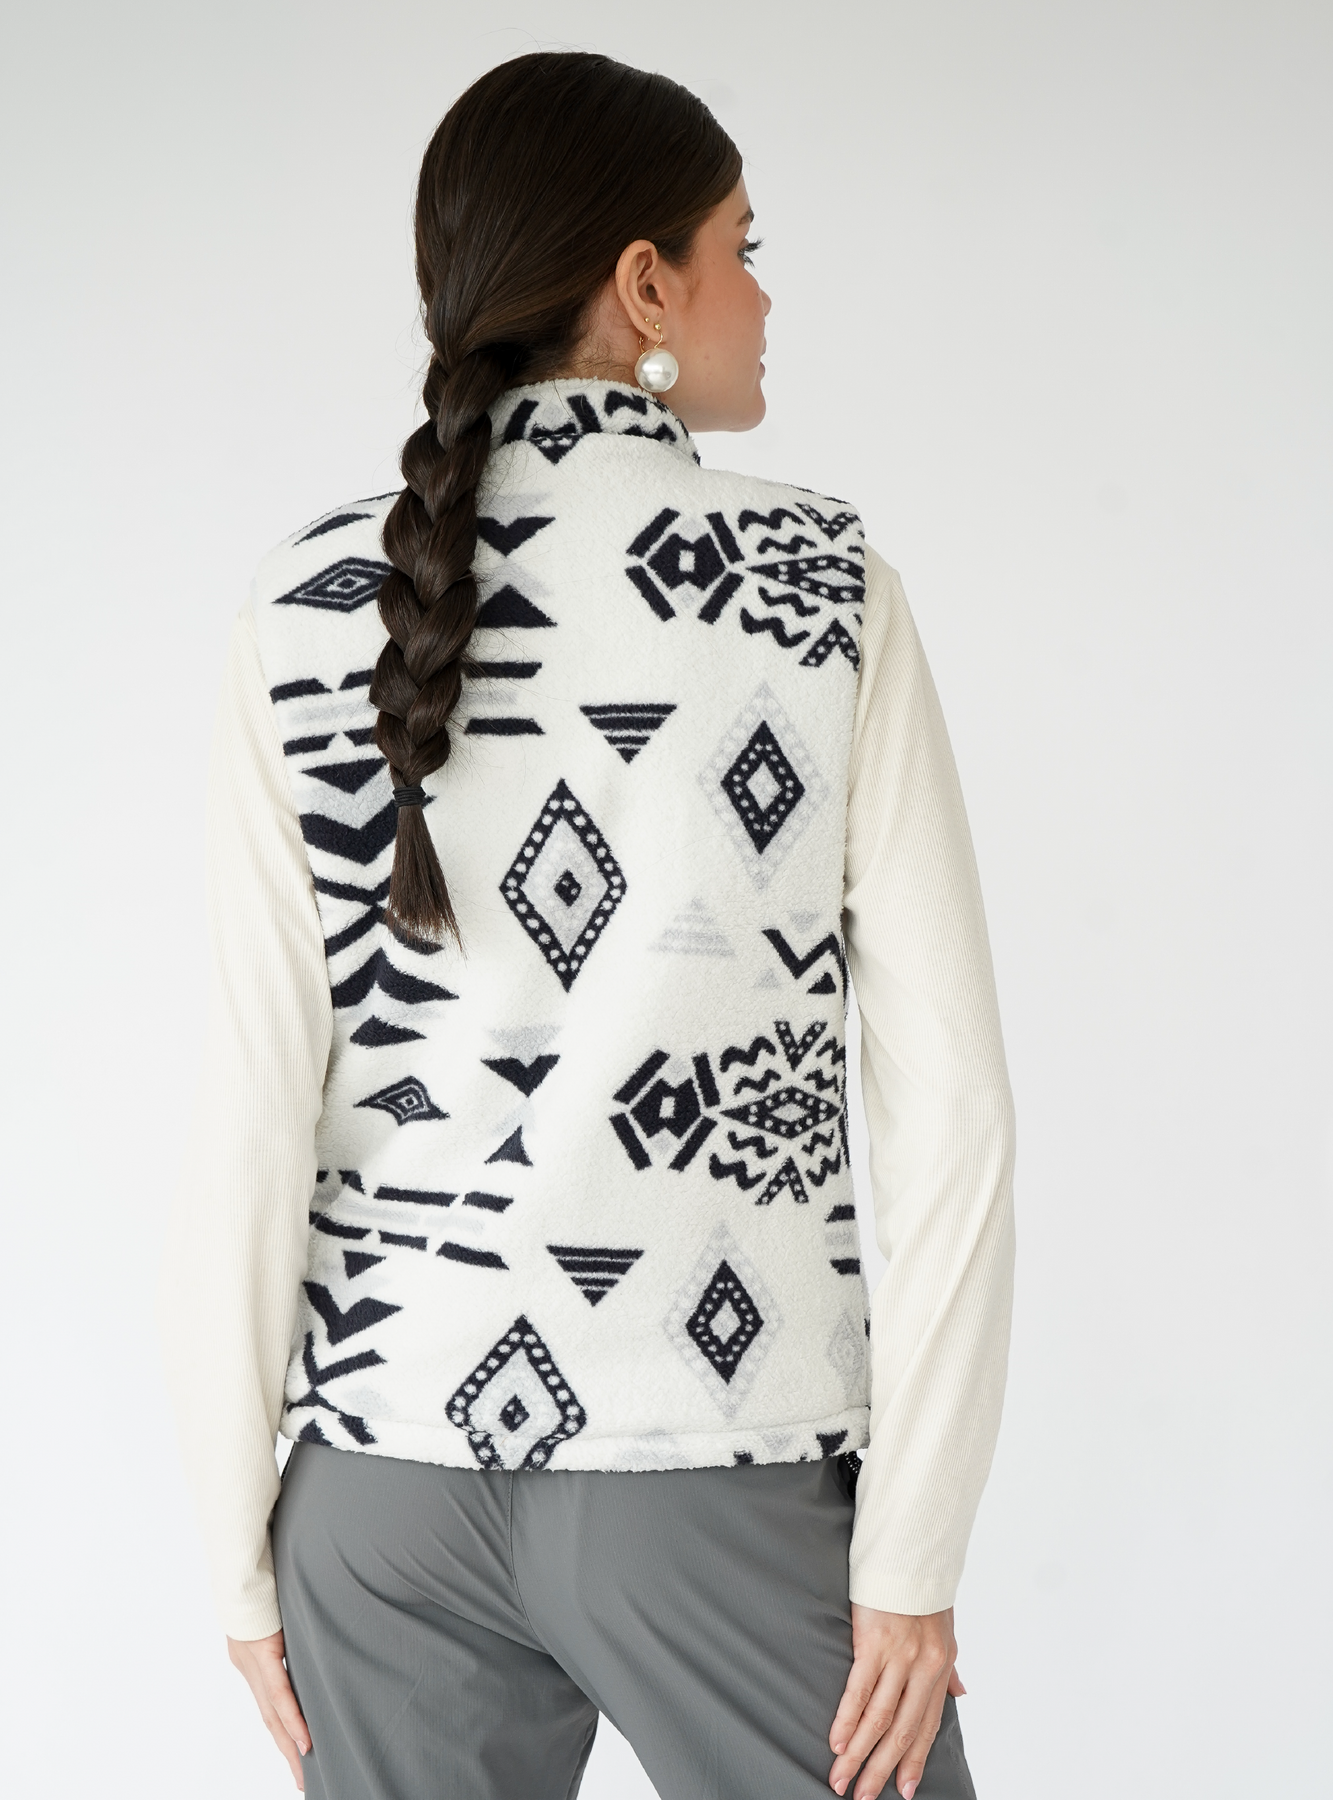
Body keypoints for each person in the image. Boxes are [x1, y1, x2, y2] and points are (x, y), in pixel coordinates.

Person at [157, 49, 1015, 1800]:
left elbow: (247, 1112)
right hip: (710, 1462)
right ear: (646, 286)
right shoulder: (820, 592)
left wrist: (237, 1547)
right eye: (741, 248)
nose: (764, 296)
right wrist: (912, 1551)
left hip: (375, 1500)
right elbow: (952, 1110)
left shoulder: (303, 607)